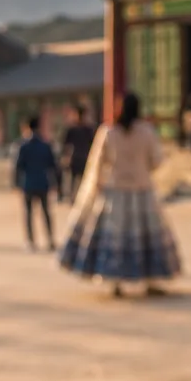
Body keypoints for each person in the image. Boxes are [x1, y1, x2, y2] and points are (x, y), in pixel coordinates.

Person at [59, 92, 182, 297]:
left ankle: (115, 283)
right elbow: (157, 161)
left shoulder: (108, 132)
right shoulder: (146, 132)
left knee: (115, 239)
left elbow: (97, 163)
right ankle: (150, 280)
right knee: (146, 238)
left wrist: (96, 186)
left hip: (115, 192)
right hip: (142, 191)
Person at [13, 115, 59, 252]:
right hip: (43, 182)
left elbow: (18, 166)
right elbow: (53, 165)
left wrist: (16, 183)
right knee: (46, 212)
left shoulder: (23, 146)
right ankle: (50, 239)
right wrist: (56, 183)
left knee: (28, 213)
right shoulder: (46, 145)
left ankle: (31, 241)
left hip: (28, 183)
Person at [60, 104, 96, 204]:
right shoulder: (82, 129)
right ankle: (75, 198)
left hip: (81, 158)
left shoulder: (85, 129)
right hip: (78, 158)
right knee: (76, 181)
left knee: (82, 181)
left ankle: (79, 199)